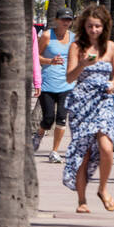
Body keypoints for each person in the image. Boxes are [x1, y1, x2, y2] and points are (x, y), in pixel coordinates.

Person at [63, 4, 114, 213]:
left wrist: (113, 84)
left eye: (97, 26)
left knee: (106, 147)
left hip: (104, 100)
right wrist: (82, 64)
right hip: (81, 103)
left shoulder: (111, 47)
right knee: (85, 152)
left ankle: (103, 189)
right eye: (90, 26)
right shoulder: (76, 47)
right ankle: (82, 200)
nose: (94, 30)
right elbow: (70, 77)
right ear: (84, 26)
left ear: (104, 26)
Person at [35, 8, 76, 163]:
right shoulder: (47, 36)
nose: (66, 22)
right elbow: (36, 57)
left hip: (67, 84)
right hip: (48, 84)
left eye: (69, 20)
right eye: (63, 19)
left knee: (61, 118)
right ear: (57, 20)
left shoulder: (74, 38)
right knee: (48, 118)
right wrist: (49, 61)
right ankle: (39, 134)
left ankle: (54, 151)